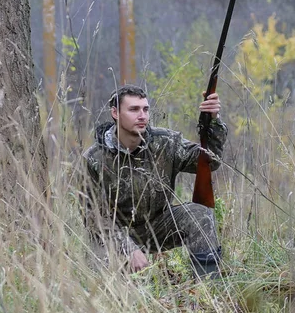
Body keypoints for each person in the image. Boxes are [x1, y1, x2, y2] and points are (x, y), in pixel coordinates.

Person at [80, 84, 227, 277]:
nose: (142, 115)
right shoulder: (94, 158)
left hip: (158, 226)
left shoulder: (166, 142)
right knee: (107, 286)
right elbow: (93, 217)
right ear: (115, 113)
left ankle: (208, 287)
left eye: (145, 109)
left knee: (199, 214)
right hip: (115, 234)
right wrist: (127, 247)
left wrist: (213, 121)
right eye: (133, 109)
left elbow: (210, 161)